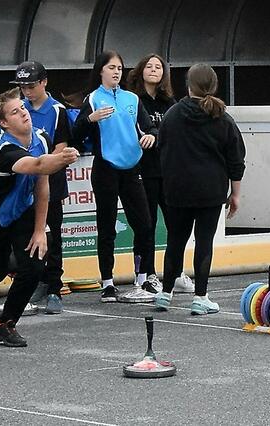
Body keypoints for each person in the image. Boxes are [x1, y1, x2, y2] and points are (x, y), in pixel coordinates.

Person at [0, 88, 78, 346]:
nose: (23, 114)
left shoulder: (40, 138)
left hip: (21, 212)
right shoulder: (5, 152)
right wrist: (62, 158)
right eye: (15, 112)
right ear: (4, 123)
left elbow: (42, 185)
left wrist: (40, 230)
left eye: (23, 108)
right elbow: (39, 165)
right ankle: (10, 258)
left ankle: (5, 324)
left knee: (35, 266)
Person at [155, 64, 246, 314]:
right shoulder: (222, 117)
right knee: (203, 242)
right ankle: (200, 297)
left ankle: (165, 293)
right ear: (214, 86)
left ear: (188, 85)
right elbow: (236, 159)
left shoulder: (172, 115)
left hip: (176, 189)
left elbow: (162, 148)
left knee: (175, 241)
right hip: (210, 190)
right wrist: (235, 194)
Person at [72, 50, 157, 303]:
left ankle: (142, 278)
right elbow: (76, 134)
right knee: (106, 226)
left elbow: (149, 126)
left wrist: (152, 135)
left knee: (144, 224)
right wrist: (90, 118)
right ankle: (107, 282)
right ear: (101, 71)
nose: (116, 72)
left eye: (119, 68)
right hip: (106, 168)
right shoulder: (94, 98)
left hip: (132, 168)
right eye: (111, 67)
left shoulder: (132, 98)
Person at [126, 54, 194, 295]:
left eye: (159, 67)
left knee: (177, 224)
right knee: (147, 225)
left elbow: (178, 133)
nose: (154, 70)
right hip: (143, 170)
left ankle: (175, 272)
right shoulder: (133, 100)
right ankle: (147, 274)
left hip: (169, 171)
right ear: (140, 70)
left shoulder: (171, 102)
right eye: (149, 66)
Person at [12, 61, 71, 314]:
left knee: (52, 233)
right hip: (25, 180)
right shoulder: (18, 109)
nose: (27, 90)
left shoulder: (57, 110)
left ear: (44, 82)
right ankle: (36, 280)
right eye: (23, 86)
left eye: (31, 85)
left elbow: (61, 146)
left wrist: (44, 165)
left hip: (50, 179)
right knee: (28, 234)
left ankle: (54, 286)